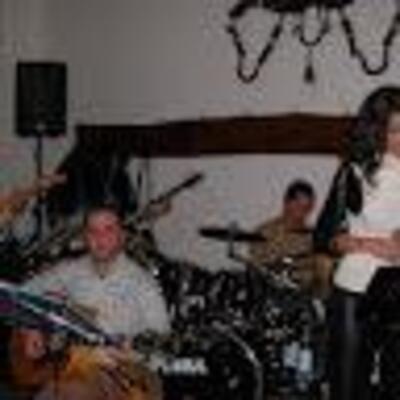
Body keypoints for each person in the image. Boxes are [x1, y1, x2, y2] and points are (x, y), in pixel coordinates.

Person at [11, 205, 169, 399]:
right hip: (72, 367)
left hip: (121, 373)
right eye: (92, 231)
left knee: (67, 393)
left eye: (108, 230)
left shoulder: (143, 283)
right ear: (85, 238)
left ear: (122, 237)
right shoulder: (70, 270)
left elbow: (161, 343)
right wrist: (31, 327)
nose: (99, 238)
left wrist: (124, 353)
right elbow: (22, 293)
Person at [329, 86, 400, 400]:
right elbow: (325, 236)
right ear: (376, 130)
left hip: (396, 288)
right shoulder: (355, 171)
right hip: (356, 288)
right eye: (394, 130)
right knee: (349, 387)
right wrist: (365, 244)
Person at [248, 179, 316, 288]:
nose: (303, 211)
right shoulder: (265, 231)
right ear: (286, 203)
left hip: (305, 290)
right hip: (272, 288)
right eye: (298, 205)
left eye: (307, 207)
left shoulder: (313, 235)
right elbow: (257, 266)